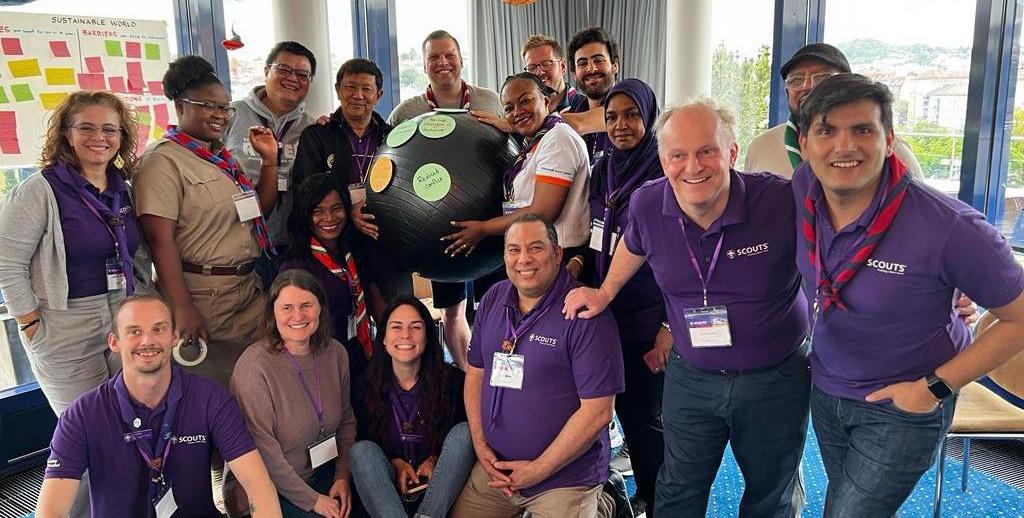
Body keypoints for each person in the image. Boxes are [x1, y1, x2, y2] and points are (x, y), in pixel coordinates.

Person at [563, 97, 811, 517]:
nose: (692, 167)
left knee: (771, 492)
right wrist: (604, 292)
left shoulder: (779, 200)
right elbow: (634, 244)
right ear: (663, 160)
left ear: (731, 153)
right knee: (679, 487)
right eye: (678, 155)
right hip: (692, 376)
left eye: (706, 151)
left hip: (775, 378)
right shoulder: (647, 204)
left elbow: (838, 245)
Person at [791, 73, 1024, 516]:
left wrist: (933, 388)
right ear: (804, 144)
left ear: (889, 140)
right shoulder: (805, 188)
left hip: (905, 403)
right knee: (845, 502)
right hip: (828, 389)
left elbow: (1019, 319)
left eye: (863, 129)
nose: (844, 146)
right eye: (826, 131)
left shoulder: (951, 228)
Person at [0, 90, 151, 518]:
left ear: (122, 137)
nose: (99, 137)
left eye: (109, 129)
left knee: (131, 431)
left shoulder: (123, 190)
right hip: (64, 324)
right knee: (88, 440)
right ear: (66, 134)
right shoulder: (41, 190)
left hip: (123, 317)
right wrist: (31, 323)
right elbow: (7, 260)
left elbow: (138, 255)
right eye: (86, 127)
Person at [35, 294, 282, 518]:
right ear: (114, 343)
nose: (147, 340)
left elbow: (258, 485)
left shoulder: (211, 399)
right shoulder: (81, 415)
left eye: (159, 329)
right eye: (134, 331)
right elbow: (51, 511)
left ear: (174, 337)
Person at [451, 214, 623, 517]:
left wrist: (538, 470)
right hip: (497, 472)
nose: (524, 259)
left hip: (564, 480)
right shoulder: (493, 299)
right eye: (514, 250)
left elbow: (598, 413)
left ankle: (605, 502)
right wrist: (480, 444)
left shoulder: (586, 315)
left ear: (557, 254)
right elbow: (476, 373)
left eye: (535, 248)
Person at [134, 55, 279, 386]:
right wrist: (182, 307)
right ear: (180, 106)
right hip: (203, 296)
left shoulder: (222, 160)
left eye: (225, 108)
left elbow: (258, 212)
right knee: (217, 389)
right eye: (208, 106)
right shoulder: (162, 161)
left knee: (255, 384)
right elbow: (159, 241)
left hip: (247, 290)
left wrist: (270, 161)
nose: (220, 115)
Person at [386, 30, 505, 371]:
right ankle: (467, 375)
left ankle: (498, 374)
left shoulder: (489, 100)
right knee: (452, 311)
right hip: (436, 227)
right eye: (434, 58)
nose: (443, 63)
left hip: (492, 224)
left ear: (461, 59)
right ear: (424, 65)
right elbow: (388, 156)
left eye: (449, 55)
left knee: (497, 305)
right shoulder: (407, 111)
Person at [577, 78, 666, 515]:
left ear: (648, 116)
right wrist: (578, 265)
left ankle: (657, 497)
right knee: (612, 410)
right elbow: (590, 232)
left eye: (631, 115)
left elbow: (683, 259)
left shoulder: (664, 170)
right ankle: (638, 489)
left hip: (649, 314)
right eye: (611, 117)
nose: (620, 125)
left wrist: (668, 327)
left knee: (644, 415)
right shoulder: (603, 169)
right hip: (607, 310)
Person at [230, 269, 359, 517]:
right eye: (287, 308)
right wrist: (313, 501)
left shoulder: (336, 353)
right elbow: (263, 452)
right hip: (272, 490)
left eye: (306, 305)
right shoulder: (254, 367)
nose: (298, 316)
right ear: (273, 313)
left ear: (321, 308)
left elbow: (346, 421)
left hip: (325, 475)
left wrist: (342, 476)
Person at [444, 73, 591, 274]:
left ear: (546, 101)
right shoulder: (534, 142)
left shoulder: (558, 138)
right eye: (509, 108)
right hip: (535, 251)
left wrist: (484, 228)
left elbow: (543, 212)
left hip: (560, 258)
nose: (517, 112)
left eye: (525, 101)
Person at [349, 296, 475, 518]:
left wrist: (436, 459)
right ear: (384, 338)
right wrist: (396, 463)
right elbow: (365, 440)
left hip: (439, 487)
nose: (405, 335)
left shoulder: (453, 382)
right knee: (361, 452)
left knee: (464, 433)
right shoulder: (364, 386)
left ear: (427, 336)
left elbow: (459, 450)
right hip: (387, 488)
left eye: (415, 327)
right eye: (396, 327)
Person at [744, 43, 923, 178]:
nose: (807, 86)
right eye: (796, 80)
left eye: (822, 77)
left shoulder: (886, 148)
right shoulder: (761, 146)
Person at [280, 173, 386, 383]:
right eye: (318, 211)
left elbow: (374, 299)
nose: (329, 218)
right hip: (321, 368)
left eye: (336, 208)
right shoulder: (295, 269)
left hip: (360, 357)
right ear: (304, 215)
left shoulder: (352, 251)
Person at [226, 41, 317, 248]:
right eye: (284, 69)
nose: (292, 78)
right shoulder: (232, 115)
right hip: (236, 242)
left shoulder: (310, 128)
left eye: (302, 74)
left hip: (290, 243)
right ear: (267, 71)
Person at [564, 27, 620, 163]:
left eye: (598, 60)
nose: (591, 69)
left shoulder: (635, 97)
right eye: (582, 63)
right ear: (574, 74)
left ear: (615, 65)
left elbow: (580, 124)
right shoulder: (574, 113)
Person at [521, 34, 583, 113]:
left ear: (562, 66)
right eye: (532, 68)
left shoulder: (585, 106)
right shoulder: (524, 113)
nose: (539, 72)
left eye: (546, 64)